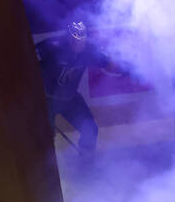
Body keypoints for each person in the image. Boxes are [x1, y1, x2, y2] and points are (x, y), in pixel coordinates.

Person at [34, 21, 120, 158]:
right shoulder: (50, 46)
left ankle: (86, 162)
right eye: (74, 41)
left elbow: (109, 63)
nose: (78, 45)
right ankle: (46, 170)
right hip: (45, 100)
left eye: (81, 41)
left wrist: (127, 68)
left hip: (70, 99)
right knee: (45, 137)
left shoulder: (89, 50)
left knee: (90, 129)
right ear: (67, 38)